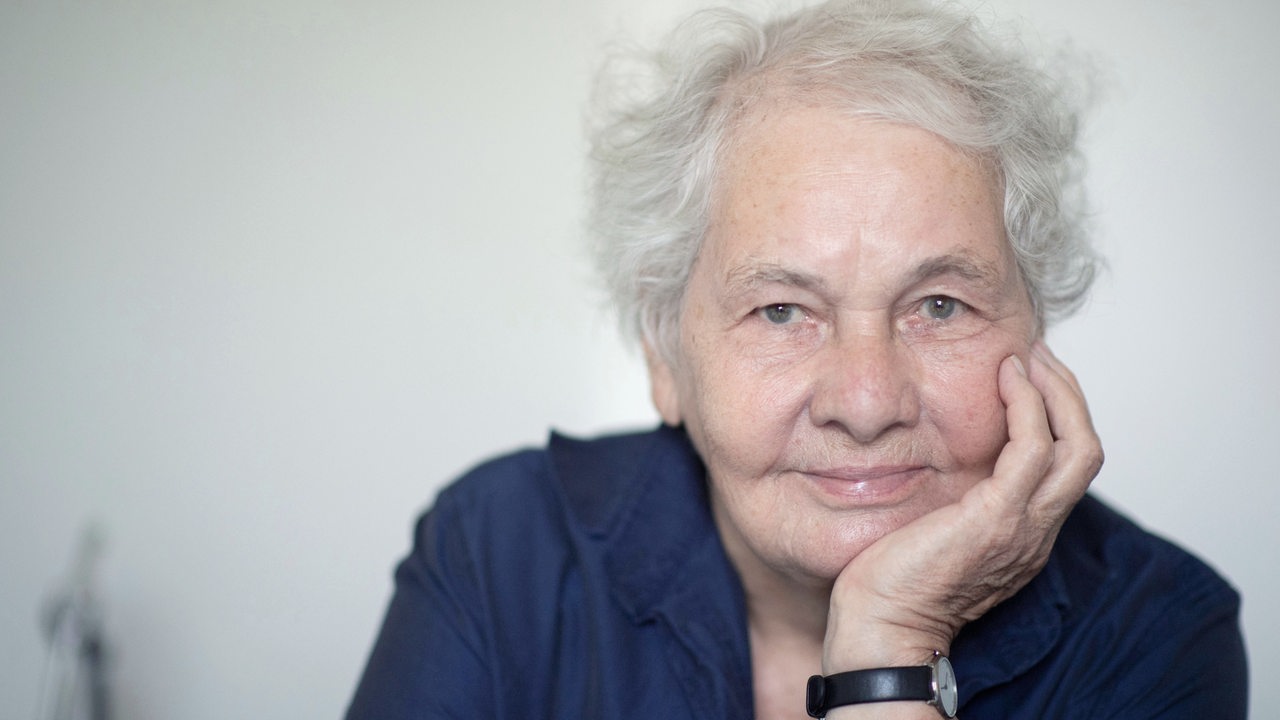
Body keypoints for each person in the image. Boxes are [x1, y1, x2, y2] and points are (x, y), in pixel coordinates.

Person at [346, 1, 1247, 717]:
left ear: (1032, 338)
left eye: (940, 305)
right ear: (666, 357)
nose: (865, 402)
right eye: (782, 310)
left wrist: (888, 651)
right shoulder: (499, 551)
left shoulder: (1156, 629)